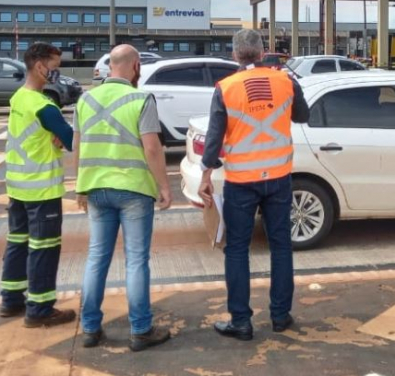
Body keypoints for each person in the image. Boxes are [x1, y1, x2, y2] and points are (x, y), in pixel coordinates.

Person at [199, 29, 309, 341]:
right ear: (262, 53)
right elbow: (303, 115)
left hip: (241, 181)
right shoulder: (285, 81)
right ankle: (279, 316)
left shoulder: (225, 88)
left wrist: (206, 176)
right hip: (278, 178)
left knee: (236, 249)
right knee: (281, 246)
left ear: (235, 55)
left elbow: (214, 138)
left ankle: (241, 321)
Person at [74, 44, 174, 352]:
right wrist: (164, 186)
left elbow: (78, 145)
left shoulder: (84, 99)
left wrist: (79, 186)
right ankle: (140, 330)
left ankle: (90, 329)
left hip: (95, 189)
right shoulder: (141, 98)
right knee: (136, 261)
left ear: (110, 67)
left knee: (96, 258)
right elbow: (153, 148)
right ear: (134, 66)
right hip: (133, 190)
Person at [0, 42, 75, 327]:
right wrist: (60, 137)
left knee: (17, 242)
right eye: (55, 66)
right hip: (42, 189)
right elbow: (71, 140)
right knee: (44, 247)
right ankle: (40, 308)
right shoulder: (45, 107)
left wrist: (52, 137)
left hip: (17, 186)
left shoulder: (20, 97)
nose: (57, 72)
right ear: (40, 65)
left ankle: (11, 300)